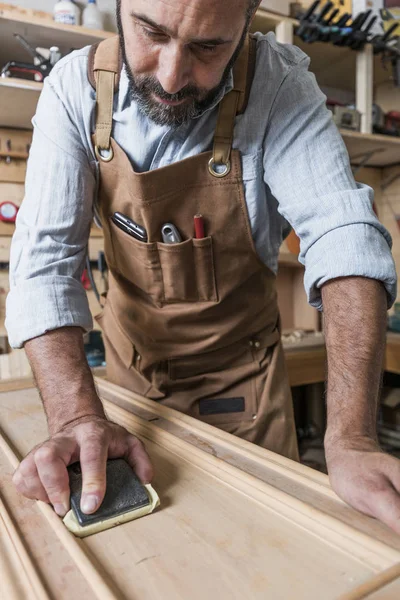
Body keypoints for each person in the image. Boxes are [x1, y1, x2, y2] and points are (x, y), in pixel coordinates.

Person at [6, 0, 400, 534]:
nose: (171, 76)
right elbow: (45, 266)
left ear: (248, 19)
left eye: (208, 47)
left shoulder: (277, 84)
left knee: (263, 547)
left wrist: (352, 439)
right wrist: (76, 417)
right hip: (127, 395)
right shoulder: (73, 89)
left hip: (247, 392)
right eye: (151, 33)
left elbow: (344, 237)